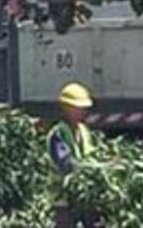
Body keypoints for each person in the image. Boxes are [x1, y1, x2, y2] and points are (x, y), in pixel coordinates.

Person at [47, 82, 97, 228]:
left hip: (83, 194)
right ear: (65, 108)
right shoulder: (58, 134)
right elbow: (66, 163)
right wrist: (95, 168)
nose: (81, 112)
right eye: (77, 108)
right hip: (63, 198)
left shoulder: (83, 131)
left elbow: (91, 155)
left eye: (83, 109)